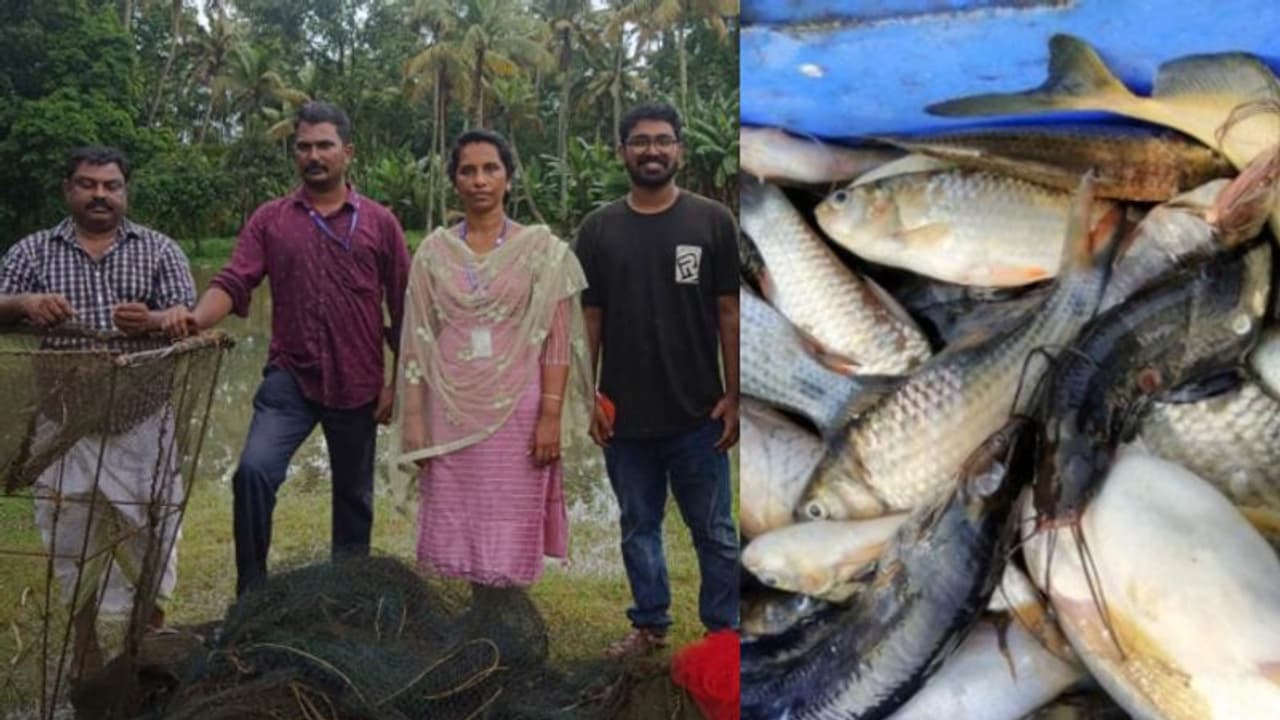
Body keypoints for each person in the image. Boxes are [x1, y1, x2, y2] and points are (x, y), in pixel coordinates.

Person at [170, 101, 411, 595]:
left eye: (324, 145)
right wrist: (196, 318)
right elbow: (235, 280)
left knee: (354, 500)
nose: (314, 155)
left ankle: (348, 599)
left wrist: (398, 382)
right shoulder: (271, 220)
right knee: (253, 474)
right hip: (290, 378)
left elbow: (405, 312)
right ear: (294, 154)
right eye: (304, 147)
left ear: (348, 152)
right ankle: (252, 596)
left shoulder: (381, 224)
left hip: (358, 380)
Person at [0, 146, 197, 678]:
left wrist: (154, 319)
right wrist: (25, 305)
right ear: (68, 189)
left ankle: (148, 639)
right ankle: (84, 648)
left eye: (111, 185)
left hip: (141, 421)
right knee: (71, 535)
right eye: (88, 184)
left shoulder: (158, 250)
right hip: (65, 425)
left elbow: (188, 317)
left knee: (153, 529)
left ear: (125, 192)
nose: (100, 195)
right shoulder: (34, 252)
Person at [391, 129, 592, 598]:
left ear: (508, 178)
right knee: (460, 511)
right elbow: (417, 339)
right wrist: (415, 420)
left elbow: (557, 342)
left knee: (508, 510)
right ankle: (479, 613)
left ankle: (505, 613)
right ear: (454, 182)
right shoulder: (433, 253)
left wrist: (550, 416)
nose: (480, 180)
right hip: (451, 406)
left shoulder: (542, 250)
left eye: (490, 169)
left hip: (518, 409)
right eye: (468, 170)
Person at [574, 102, 741, 659]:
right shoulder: (598, 229)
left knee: (714, 531)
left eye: (663, 140)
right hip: (625, 416)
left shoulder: (712, 221)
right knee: (637, 527)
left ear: (679, 150)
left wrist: (736, 394)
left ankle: (725, 632)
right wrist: (587, 395)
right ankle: (649, 626)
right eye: (640, 140)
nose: (652, 150)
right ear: (623, 151)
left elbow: (729, 313)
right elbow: (590, 318)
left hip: (699, 414)